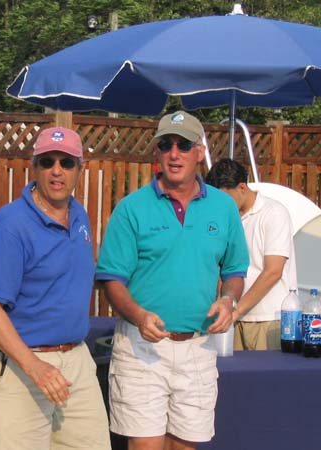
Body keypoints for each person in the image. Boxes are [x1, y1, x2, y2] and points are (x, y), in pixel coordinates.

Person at [95, 111, 249, 450]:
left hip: (198, 346)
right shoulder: (131, 208)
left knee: (185, 446)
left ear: (200, 152)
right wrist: (138, 315)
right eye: (166, 144)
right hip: (141, 347)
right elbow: (111, 280)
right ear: (157, 152)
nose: (174, 153)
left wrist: (228, 300)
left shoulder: (223, 207)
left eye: (184, 145)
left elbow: (235, 270)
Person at [0, 126, 111, 450]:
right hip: (22, 366)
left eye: (66, 162)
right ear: (33, 167)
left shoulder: (79, 215)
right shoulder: (10, 225)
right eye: (48, 162)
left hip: (76, 362)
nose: (57, 171)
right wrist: (34, 366)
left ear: (80, 169)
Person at [206, 158, 297, 351]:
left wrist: (236, 310)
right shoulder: (225, 218)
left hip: (267, 320)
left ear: (241, 188)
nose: (220, 205)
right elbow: (222, 267)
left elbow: (273, 272)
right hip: (232, 319)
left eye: (224, 198)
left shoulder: (274, 213)